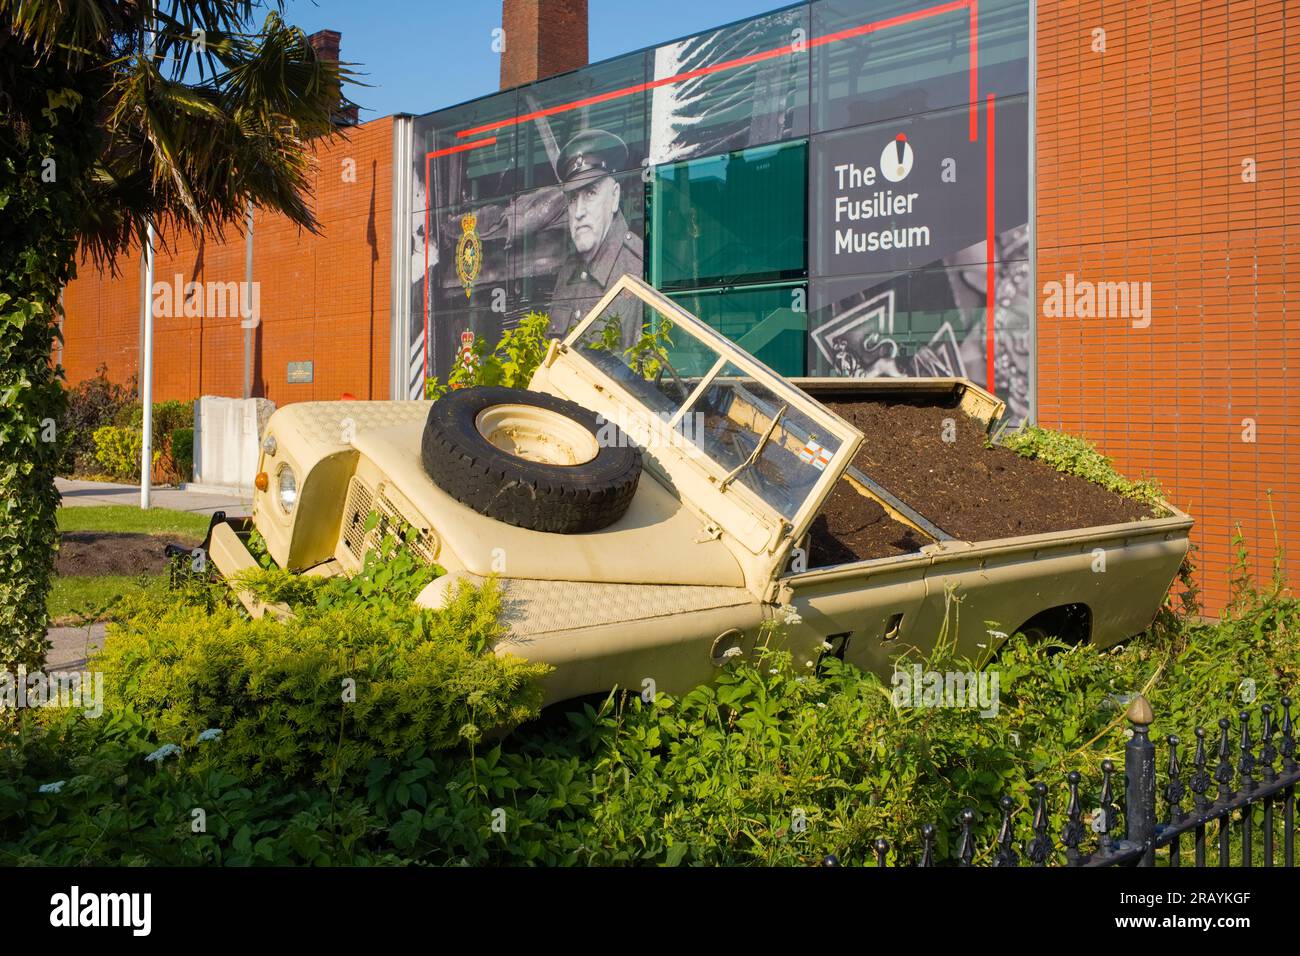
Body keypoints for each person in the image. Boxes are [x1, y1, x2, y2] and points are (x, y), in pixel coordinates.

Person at [549, 129, 644, 349]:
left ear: (614, 197)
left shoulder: (636, 270)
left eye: (591, 193)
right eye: (573, 199)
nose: (579, 211)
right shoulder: (567, 273)